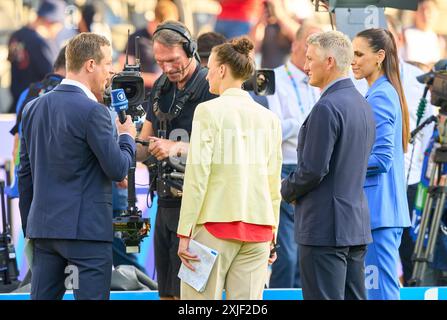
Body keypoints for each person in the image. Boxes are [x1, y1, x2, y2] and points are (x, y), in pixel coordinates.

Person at [18, 32, 136, 300]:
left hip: (44, 231)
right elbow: (118, 169)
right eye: (107, 64)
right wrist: (127, 136)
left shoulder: (32, 108)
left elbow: (25, 175)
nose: (111, 72)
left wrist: (32, 228)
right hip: (87, 235)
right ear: (90, 64)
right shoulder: (94, 111)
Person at [177, 37, 282, 300]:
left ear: (222, 69)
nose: (207, 74)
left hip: (214, 226)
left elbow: (197, 176)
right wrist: (273, 234)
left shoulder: (207, 111)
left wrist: (184, 231)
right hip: (260, 230)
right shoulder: (270, 119)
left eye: (209, 68)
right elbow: (273, 183)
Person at [281, 31, 376, 300]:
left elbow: (313, 170)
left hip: (325, 229)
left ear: (330, 61)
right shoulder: (362, 104)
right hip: (354, 226)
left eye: (311, 59)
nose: (306, 65)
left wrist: (283, 189)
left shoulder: (327, 107)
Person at [135, 20, 216, 299]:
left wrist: (176, 148)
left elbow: (225, 152)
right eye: (160, 61)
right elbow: (142, 147)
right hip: (166, 203)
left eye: (173, 60)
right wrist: (122, 136)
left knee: (193, 296)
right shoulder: (160, 85)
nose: (168, 68)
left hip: (201, 209)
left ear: (191, 50)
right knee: (167, 294)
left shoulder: (210, 86)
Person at [352, 28, 411, 300]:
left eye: (359, 54)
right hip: (381, 211)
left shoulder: (381, 95)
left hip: (380, 211)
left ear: (379, 56)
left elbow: (382, 158)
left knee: (382, 294)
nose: (353, 60)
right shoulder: (381, 92)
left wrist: (343, 163)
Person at [266, 22, 321, 289]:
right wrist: (305, 122)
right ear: (297, 44)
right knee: (286, 251)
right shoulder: (275, 78)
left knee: (309, 250)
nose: (314, 51)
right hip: (286, 167)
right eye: (311, 43)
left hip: (315, 168)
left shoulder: (321, 80)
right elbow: (274, 126)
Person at [387, 16, 436, 286]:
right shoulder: (358, 79)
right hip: (375, 180)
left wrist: (417, 164)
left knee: (409, 246)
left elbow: (428, 129)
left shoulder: (418, 82)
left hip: (410, 179)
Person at [7, 0, 65, 113]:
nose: (58, 31)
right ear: (49, 21)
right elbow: (55, 75)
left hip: (17, 104)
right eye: (58, 26)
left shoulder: (16, 35)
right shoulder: (42, 42)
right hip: (37, 107)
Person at [119, 0, 179, 91]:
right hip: (144, 95)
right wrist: (155, 79)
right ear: (156, 21)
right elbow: (126, 72)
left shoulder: (173, 40)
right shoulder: (136, 38)